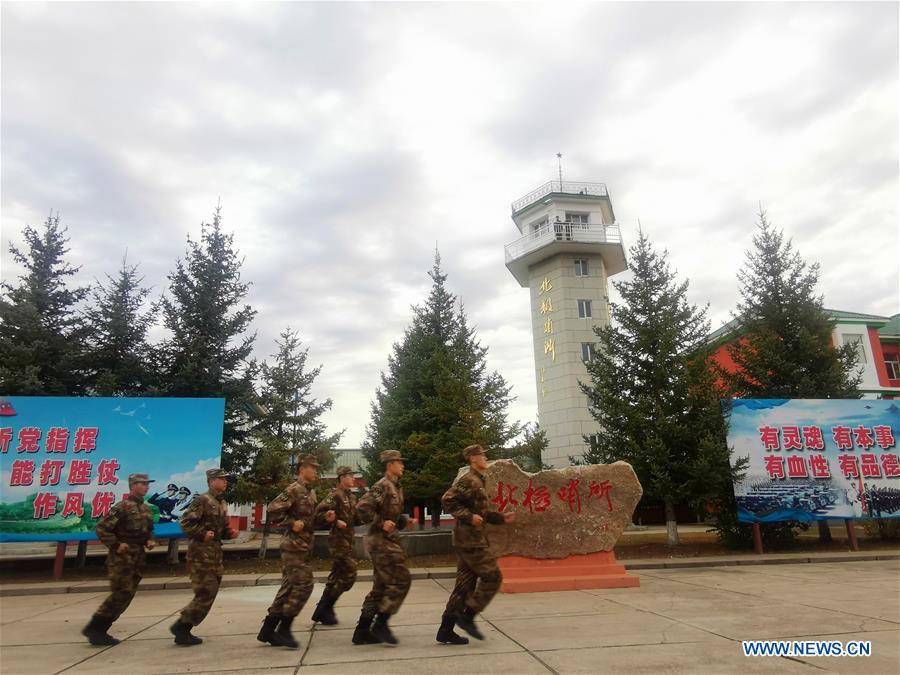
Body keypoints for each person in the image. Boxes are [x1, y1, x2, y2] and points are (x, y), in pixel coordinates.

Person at [438, 444, 514, 643]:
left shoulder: (479, 480)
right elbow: (447, 500)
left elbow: (482, 513)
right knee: (493, 577)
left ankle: (445, 629)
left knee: (464, 587)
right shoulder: (468, 480)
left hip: (470, 541)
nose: (485, 457)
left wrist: (500, 518)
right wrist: (469, 517)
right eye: (482, 455)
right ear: (473, 458)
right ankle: (467, 617)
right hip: (470, 541)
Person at [257, 454, 332, 649]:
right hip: (293, 546)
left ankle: (268, 630)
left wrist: (326, 518)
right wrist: (291, 523)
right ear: (302, 469)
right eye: (312, 467)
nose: (316, 471)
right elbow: (273, 509)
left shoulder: (310, 492)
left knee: (288, 588)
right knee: (305, 585)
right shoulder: (293, 489)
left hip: (304, 547)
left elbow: (311, 521)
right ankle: (284, 629)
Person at [82, 473, 157, 646]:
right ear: (133, 485)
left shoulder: (146, 509)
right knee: (121, 592)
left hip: (138, 556)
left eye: (147, 483)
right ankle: (96, 627)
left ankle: (99, 628)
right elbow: (102, 529)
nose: (146, 487)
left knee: (128, 594)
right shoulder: (122, 507)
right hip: (121, 557)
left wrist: (149, 539)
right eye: (142, 483)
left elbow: (149, 530)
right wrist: (116, 545)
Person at [170, 468, 238, 646]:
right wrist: (201, 534)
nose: (225, 482)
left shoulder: (220, 502)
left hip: (215, 553)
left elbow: (220, 529)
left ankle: (184, 626)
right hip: (200, 553)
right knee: (206, 591)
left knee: (211, 591)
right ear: (212, 481)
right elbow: (185, 523)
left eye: (225, 479)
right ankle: (182, 626)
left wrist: (230, 533)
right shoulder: (202, 500)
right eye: (221, 479)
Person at [354, 450, 410, 645]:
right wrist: (381, 523)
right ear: (389, 465)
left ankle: (362, 631)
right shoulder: (382, 485)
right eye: (399, 462)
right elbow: (363, 508)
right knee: (402, 580)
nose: (402, 465)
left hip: (389, 540)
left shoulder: (396, 487)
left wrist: (401, 520)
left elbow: (390, 515)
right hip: (380, 542)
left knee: (380, 587)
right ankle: (381, 623)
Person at [312, 465, 361, 625]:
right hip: (338, 542)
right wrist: (331, 518)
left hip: (348, 542)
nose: (353, 478)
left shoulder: (352, 497)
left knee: (335, 577)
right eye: (350, 476)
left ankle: (323, 610)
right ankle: (326, 607)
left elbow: (358, 519)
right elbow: (317, 515)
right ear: (342, 478)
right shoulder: (334, 495)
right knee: (349, 573)